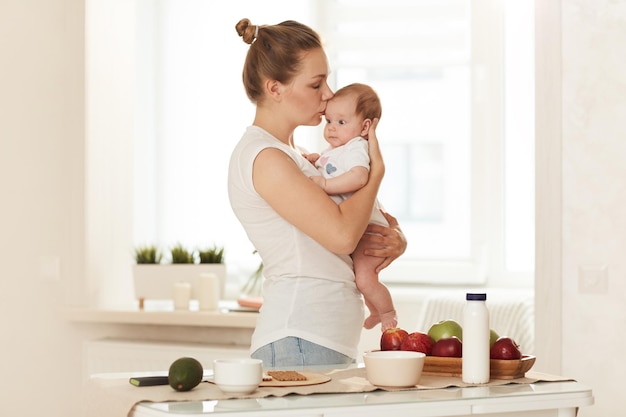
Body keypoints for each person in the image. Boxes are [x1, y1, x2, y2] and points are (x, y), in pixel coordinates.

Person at [228, 18, 407, 368]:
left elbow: (351, 225)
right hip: (300, 336)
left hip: (318, 337)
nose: (328, 94)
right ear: (275, 88)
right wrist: (376, 174)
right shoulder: (266, 158)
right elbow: (341, 236)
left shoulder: (298, 156)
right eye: (316, 84)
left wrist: (392, 240)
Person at [303, 83, 398, 332]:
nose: (332, 128)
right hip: (360, 226)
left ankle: (387, 311)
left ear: (365, 127)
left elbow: (358, 178)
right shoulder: (336, 150)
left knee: (365, 278)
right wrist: (315, 161)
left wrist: (324, 182)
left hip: (370, 230)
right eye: (329, 121)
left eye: (341, 122)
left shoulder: (357, 147)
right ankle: (376, 310)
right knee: (360, 278)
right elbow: (332, 166)